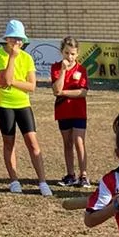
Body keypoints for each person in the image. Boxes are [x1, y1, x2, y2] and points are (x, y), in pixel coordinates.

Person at [0, 19, 53, 196]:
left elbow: (31, 86)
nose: (17, 43)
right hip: (3, 104)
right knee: (9, 142)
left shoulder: (27, 58)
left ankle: (42, 181)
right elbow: (5, 77)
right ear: (7, 39)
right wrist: (12, 58)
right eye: (13, 38)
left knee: (33, 142)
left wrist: (12, 82)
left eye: (20, 39)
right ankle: (14, 179)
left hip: (23, 104)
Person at [51, 37, 91, 187]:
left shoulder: (81, 70)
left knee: (79, 141)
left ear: (77, 54)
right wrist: (62, 71)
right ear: (62, 52)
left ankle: (83, 175)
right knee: (67, 143)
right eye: (67, 53)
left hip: (79, 111)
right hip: (63, 110)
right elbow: (56, 89)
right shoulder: (56, 67)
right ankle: (70, 174)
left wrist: (63, 93)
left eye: (73, 54)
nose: (70, 57)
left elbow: (82, 92)